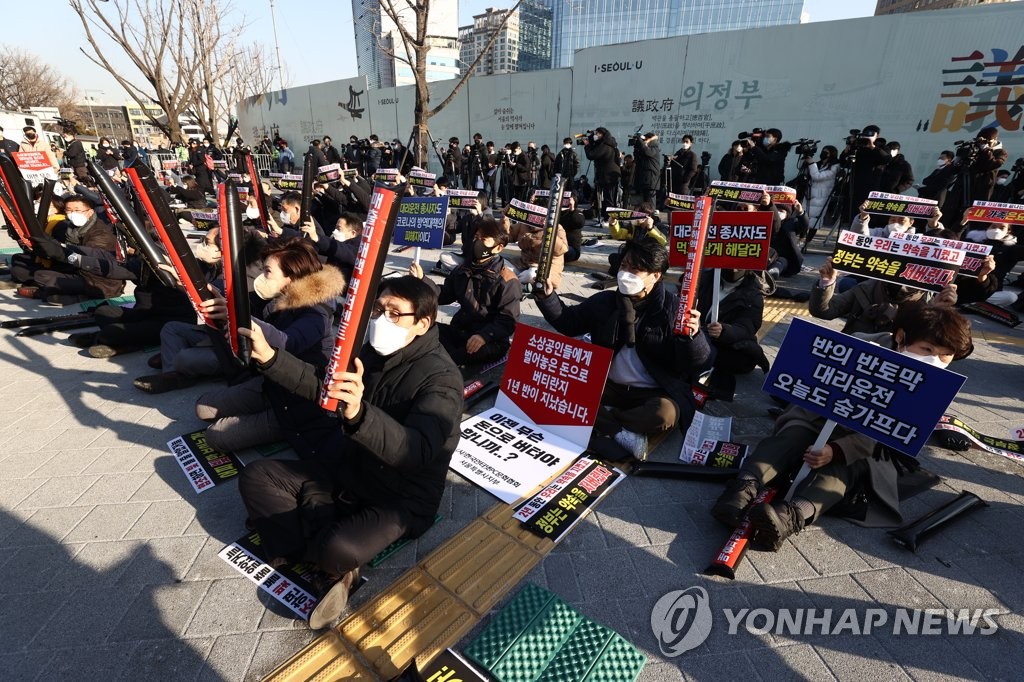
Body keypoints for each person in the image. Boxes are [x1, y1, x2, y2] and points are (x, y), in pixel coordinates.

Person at [236, 275, 463, 628]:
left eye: (393, 313)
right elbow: (321, 383)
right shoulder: (372, 352)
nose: (381, 320)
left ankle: (328, 553)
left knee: (338, 549)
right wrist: (269, 358)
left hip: (400, 496)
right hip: (349, 468)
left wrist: (359, 413)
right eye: (378, 309)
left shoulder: (443, 380)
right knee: (256, 476)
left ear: (422, 323)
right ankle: (324, 557)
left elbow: (415, 451)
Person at [711, 303, 974, 549]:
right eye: (927, 350)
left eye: (945, 356)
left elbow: (885, 434)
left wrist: (836, 450)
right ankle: (741, 490)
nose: (935, 361)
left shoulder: (936, 385)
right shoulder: (860, 345)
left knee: (842, 472)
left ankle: (789, 517)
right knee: (790, 438)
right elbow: (809, 395)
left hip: (863, 447)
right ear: (901, 336)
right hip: (815, 419)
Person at [534, 237, 710, 459]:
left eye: (635, 270)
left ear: (655, 276)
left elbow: (699, 362)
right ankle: (620, 431)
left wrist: (694, 336)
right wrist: (547, 297)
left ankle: (604, 420)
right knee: (558, 386)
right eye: (624, 266)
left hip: (654, 392)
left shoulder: (673, 310)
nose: (625, 274)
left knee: (665, 414)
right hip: (609, 385)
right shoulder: (606, 302)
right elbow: (569, 323)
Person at [196, 239, 345, 451]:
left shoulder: (317, 313)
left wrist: (237, 316)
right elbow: (245, 311)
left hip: (298, 399)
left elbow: (287, 342)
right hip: (270, 384)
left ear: (291, 277)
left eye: (267, 271)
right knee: (202, 408)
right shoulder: (279, 299)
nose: (261, 277)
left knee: (216, 437)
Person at [411, 217, 519, 366]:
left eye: (484, 239)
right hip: (461, 330)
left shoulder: (507, 280)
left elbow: (507, 321)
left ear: (498, 248)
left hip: (490, 341)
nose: (477, 242)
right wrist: (422, 279)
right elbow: (444, 295)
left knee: (449, 359)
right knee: (419, 328)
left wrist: (484, 336)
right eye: (476, 237)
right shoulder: (462, 269)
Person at [809, 255, 958, 334]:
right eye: (901, 266)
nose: (904, 278)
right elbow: (823, 310)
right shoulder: (866, 288)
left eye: (914, 272)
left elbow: (948, 349)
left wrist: (940, 311)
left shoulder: (928, 304)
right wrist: (827, 281)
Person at [25, 195, 130, 305]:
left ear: (90, 212)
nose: (72, 214)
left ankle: (78, 296)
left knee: (46, 279)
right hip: (80, 272)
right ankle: (56, 293)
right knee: (39, 274)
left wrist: (58, 251)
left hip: (100, 281)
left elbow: (90, 259)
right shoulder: (72, 228)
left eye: (77, 210)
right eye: (69, 210)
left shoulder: (100, 233)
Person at [696, 268, 773, 400]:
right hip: (698, 334)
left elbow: (747, 327)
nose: (734, 268)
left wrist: (724, 330)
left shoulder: (753, 294)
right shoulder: (704, 278)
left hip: (727, 344)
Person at [801, 145, 839, 252]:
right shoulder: (818, 163)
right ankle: (800, 240)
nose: (823, 153)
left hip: (821, 197)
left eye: (826, 152)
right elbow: (804, 171)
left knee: (814, 221)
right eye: (823, 151)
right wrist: (806, 160)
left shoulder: (835, 166)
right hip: (809, 195)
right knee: (803, 218)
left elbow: (817, 176)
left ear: (832, 154)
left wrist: (811, 163)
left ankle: (806, 243)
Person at [582, 128, 620, 216]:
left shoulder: (605, 146)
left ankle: (609, 218)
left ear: (603, 135)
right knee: (606, 197)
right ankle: (605, 216)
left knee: (609, 198)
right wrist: (591, 138)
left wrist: (587, 145)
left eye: (598, 134)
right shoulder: (608, 144)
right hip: (606, 175)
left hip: (608, 176)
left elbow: (592, 155)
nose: (596, 135)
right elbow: (595, 147)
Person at [632, 133, 661, 208]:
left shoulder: (654, 147)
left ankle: (651, 217)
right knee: (645, 203)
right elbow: (637, 158)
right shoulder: (644, 148)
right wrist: (636, 146)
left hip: (651, 178)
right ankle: (646, 217)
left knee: (650, 201)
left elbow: (647, 152)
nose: (643, 141)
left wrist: (640, 140)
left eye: (645, 139)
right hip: (644, 179)